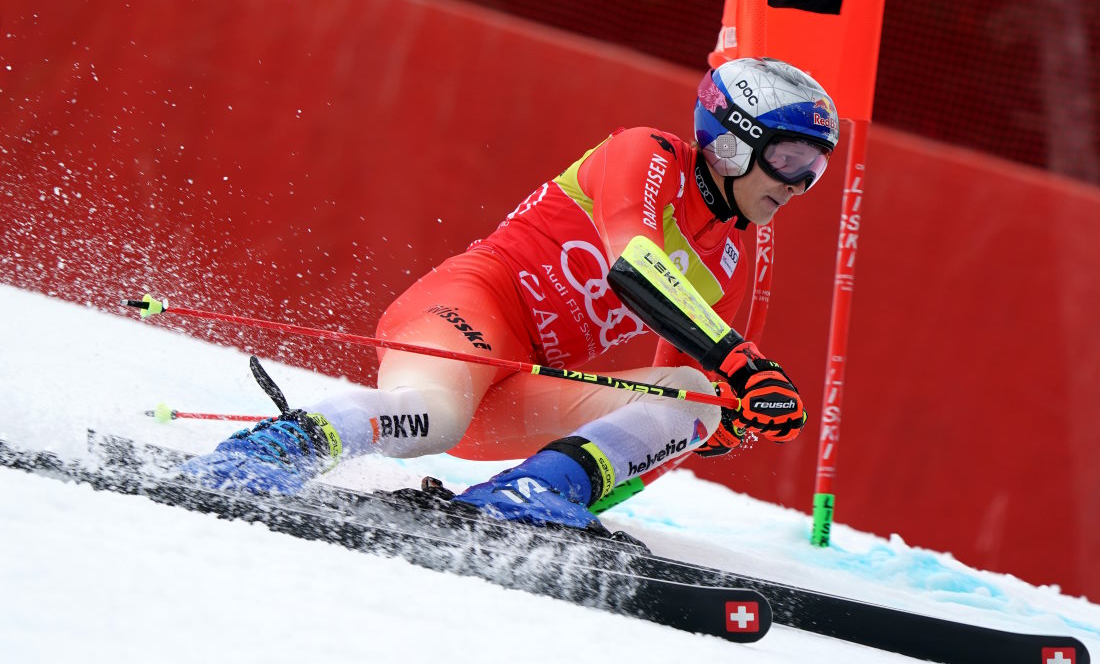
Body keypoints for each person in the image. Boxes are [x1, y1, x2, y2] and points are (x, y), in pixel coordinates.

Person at [182, 56, 840, 530]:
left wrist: (738, 411)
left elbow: (687, 388)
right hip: (468, 311)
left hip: (522, 385)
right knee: (434, 415)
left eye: (815, 169)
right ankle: (282, 446)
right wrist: (743, 363)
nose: (799, 182)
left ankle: (532, 493)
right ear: (731, 142)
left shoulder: (728, 253)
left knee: (699, 399)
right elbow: (632, 261)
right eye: (789, 159)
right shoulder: (649, 155)